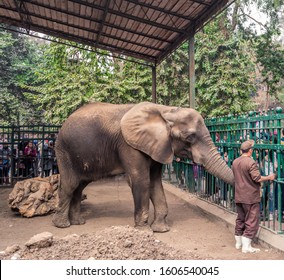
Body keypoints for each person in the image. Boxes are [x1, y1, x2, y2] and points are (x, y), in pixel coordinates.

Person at [232, 140, 276, 253]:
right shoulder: (250, 162)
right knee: (252, 220)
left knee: (240, 218)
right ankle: (246, 246)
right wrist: (269, 177)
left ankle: (238, 243)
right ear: (250, 151)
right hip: (250, 196)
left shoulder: (235, 162)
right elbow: (257, 178)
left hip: (239, 195)